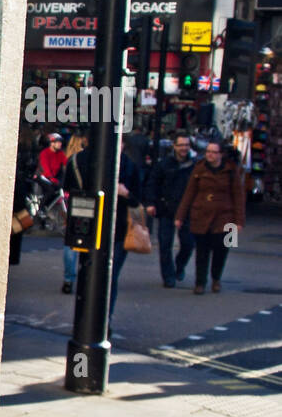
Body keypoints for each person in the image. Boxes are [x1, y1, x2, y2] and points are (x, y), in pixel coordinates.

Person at [67, 140, 140, 320]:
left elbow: (68, 190)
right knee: (106, 276)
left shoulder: (128, 165)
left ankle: (94, 319)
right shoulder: (126, 164)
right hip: (101, 227)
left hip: (92, 226)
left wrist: (126, 194)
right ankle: (101, 319)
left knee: (96, 274)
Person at [174, 139, 246, 294]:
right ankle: (200, 282)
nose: (210, 155)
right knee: (202, 251)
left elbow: (238, 196)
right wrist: (180, 216)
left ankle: (216, 278)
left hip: (225, 218)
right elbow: (189, 193)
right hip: (201, 215)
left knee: (222, 249)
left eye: (214, 152)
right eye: (208, 152)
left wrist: (239, 221)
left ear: (221, 154)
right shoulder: (199, 169)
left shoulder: (231, 170)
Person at [143, 132, 197, 287]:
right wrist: (151, 203)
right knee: (165, 244)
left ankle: (180, 266)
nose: (184, 148)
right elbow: (153, 183)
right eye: (181, 145)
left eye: (186, 145)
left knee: (188, 243)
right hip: (166, 208)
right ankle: (168, 276)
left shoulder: (193, 165)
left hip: (186, 210)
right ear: (174, 146)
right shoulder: (164, 164)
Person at [60, 131, 86, 294]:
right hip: (97, 204)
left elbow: (66, 187)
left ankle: (69, 278)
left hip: (76, 203)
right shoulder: (103, 160)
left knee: (72, 242)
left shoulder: (74, 160)